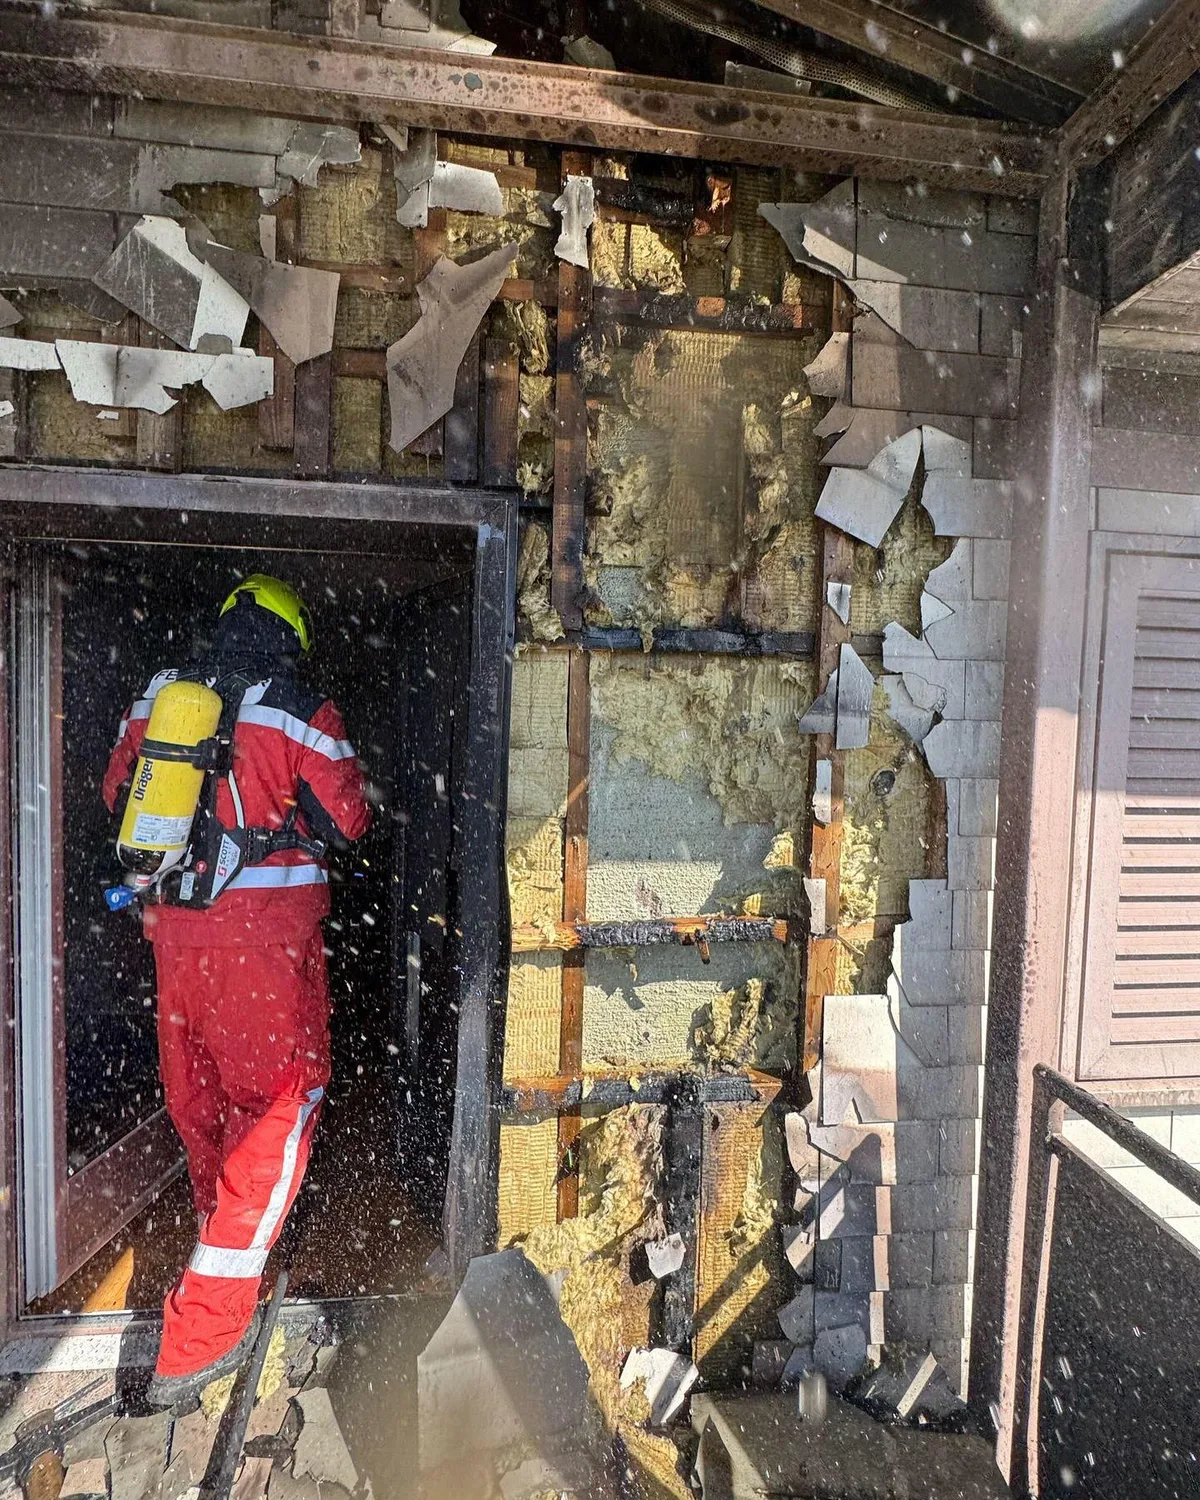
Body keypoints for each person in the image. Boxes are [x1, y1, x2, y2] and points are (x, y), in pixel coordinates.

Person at [102, 575, 371, 1408]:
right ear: (291, 635)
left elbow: (117, 796)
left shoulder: (160, 698)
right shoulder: (297, 709)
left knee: (206, 1110)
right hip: (263, 952)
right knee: (281, 1114)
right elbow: (350, 822)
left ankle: (221, 1253)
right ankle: (202, 1338)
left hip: (174, 946)